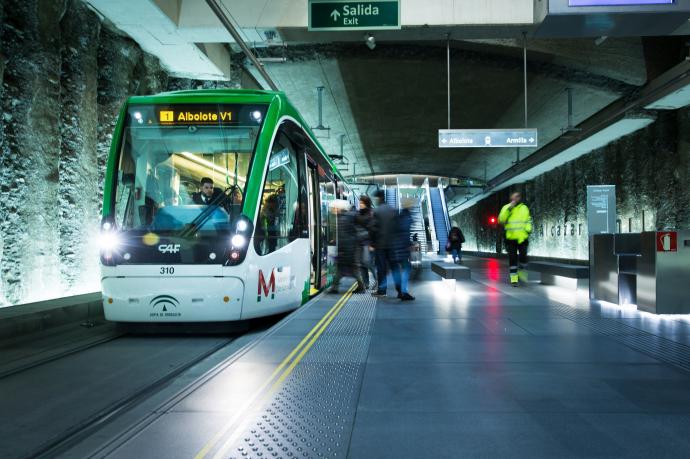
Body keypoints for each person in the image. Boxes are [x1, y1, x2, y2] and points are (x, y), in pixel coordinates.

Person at [330, 200, 366, 294]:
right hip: (351, 249)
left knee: (353, 270)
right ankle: (335, 287)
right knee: (342, 270)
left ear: (338, 208)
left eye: (333, 208)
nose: (332, 210)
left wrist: (342, 251)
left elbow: (344, 237)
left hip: (349, 250)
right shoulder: (346, 217)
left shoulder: (343, 219)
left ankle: (361, 287)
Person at [498, 191, 532, 286]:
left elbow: (528, 220)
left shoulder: (524, 208)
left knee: (523, 257)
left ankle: (522, 275)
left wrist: (528, 230)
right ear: (511, 198)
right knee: (512, 259)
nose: (515, 199)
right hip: (511, 238)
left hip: (522, 237)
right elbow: (501, 219)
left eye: (517, 197)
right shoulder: (506, 208)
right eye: (513, 197)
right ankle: (514, 279)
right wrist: (509, 209)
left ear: (519, 198)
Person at [371, 190, 397, 297]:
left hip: (380, 245)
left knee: (381, 269)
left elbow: (374, 229)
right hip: (392, 245)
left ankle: (382, 291)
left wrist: (372, 243)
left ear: (378, 198)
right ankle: (400, 290)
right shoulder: (392, 210)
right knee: (394, 267)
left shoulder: (377, 211)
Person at [390, 199, 415, 300]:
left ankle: (399, 291)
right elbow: (405, 234)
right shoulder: (407, 217)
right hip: (402, 248)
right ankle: (403, 292)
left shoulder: (398, 216)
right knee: (407, 268)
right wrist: (409, 245)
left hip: (393, 247)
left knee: (396, 270)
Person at [355, 195, 375, 289]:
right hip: (359, 242)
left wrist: (372, 243)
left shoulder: (371, 213)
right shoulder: (358, 213)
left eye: (362, 203)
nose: (360, 204)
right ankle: (366, 284)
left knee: (368, 263)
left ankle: (378, 280)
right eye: (360, 202)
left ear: (366, 203)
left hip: (368, 242)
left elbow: (373, 229)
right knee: (362, 265)